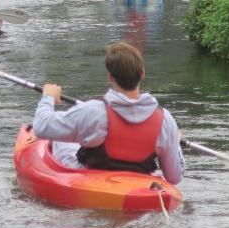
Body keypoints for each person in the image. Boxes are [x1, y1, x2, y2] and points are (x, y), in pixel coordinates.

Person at [32, 42, 185, 185]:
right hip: (137, 185)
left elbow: (40, 127)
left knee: (63, 138)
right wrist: (175, 143)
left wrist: (48, 97)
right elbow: (174, 177)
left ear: (110, 77)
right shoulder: (165, 120)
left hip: (92, 182)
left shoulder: (94, 112)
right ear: (142, 73)